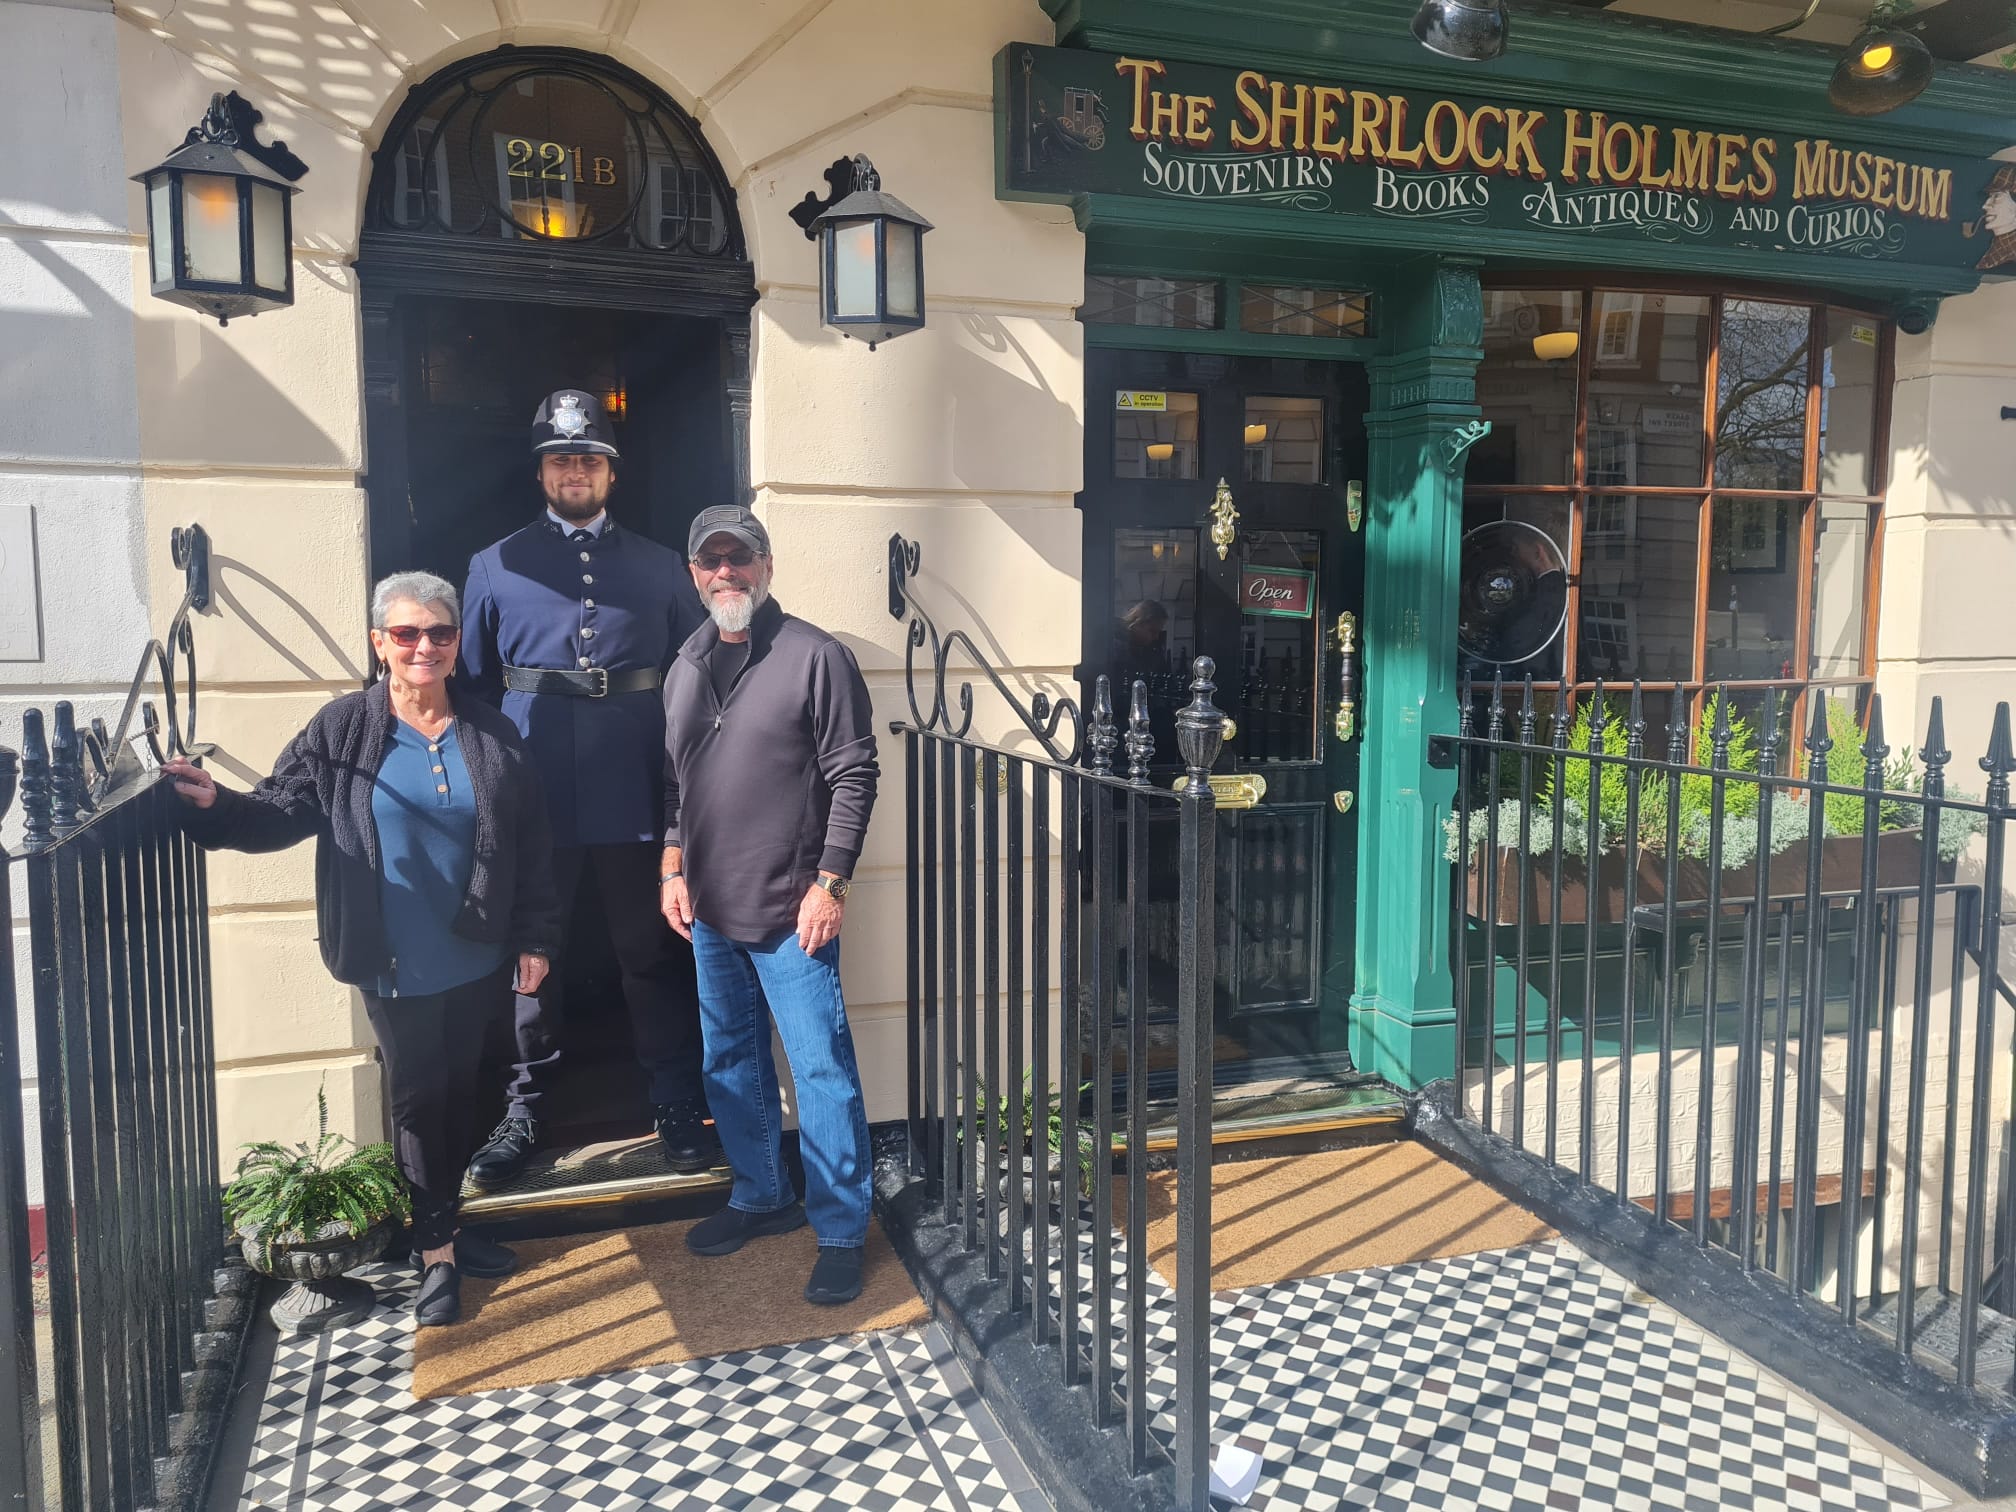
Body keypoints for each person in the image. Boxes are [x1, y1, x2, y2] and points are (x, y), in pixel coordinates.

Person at [164, 572, 560, 1328]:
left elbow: (531, 843)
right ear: (380, 642)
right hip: (392, 956)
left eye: (439, 632)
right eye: (406, 633)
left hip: (476, 950)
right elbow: (280, 810)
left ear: (457, 643)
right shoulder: (343, 729)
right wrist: (216, 807)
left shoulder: (492, 731)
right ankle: (435, 1251)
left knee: (465, 1092)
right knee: (420, 1098)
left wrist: (536, 934)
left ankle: (446, 1221)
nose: (424, 646)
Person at [457, 388, 716, 1187]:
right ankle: (522, 1110)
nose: (575, 471)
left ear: (611, 471)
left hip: (636, 785)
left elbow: (697, 676)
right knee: (532, 956)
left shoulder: (662, 565)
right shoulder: (493, 565)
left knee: (651, 953)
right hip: (530, 794)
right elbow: (471, 687)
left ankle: (675, 1101)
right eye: (561, 459)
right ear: (541, 472)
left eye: (589, 459)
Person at [658, 504, 880, 1306]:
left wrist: (832, 883)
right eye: (711, 560)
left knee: (821, 1071)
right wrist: (673, 864)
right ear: (694, 575)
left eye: (740, 557)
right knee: (729, 1060)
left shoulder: (816, 657)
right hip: (710, 909)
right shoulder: (684, 663)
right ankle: (761, 1195)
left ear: (766, 566)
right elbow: (678, 781)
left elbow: (855, 775)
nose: (727, 572)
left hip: (794, 911)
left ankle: (842, 1230)